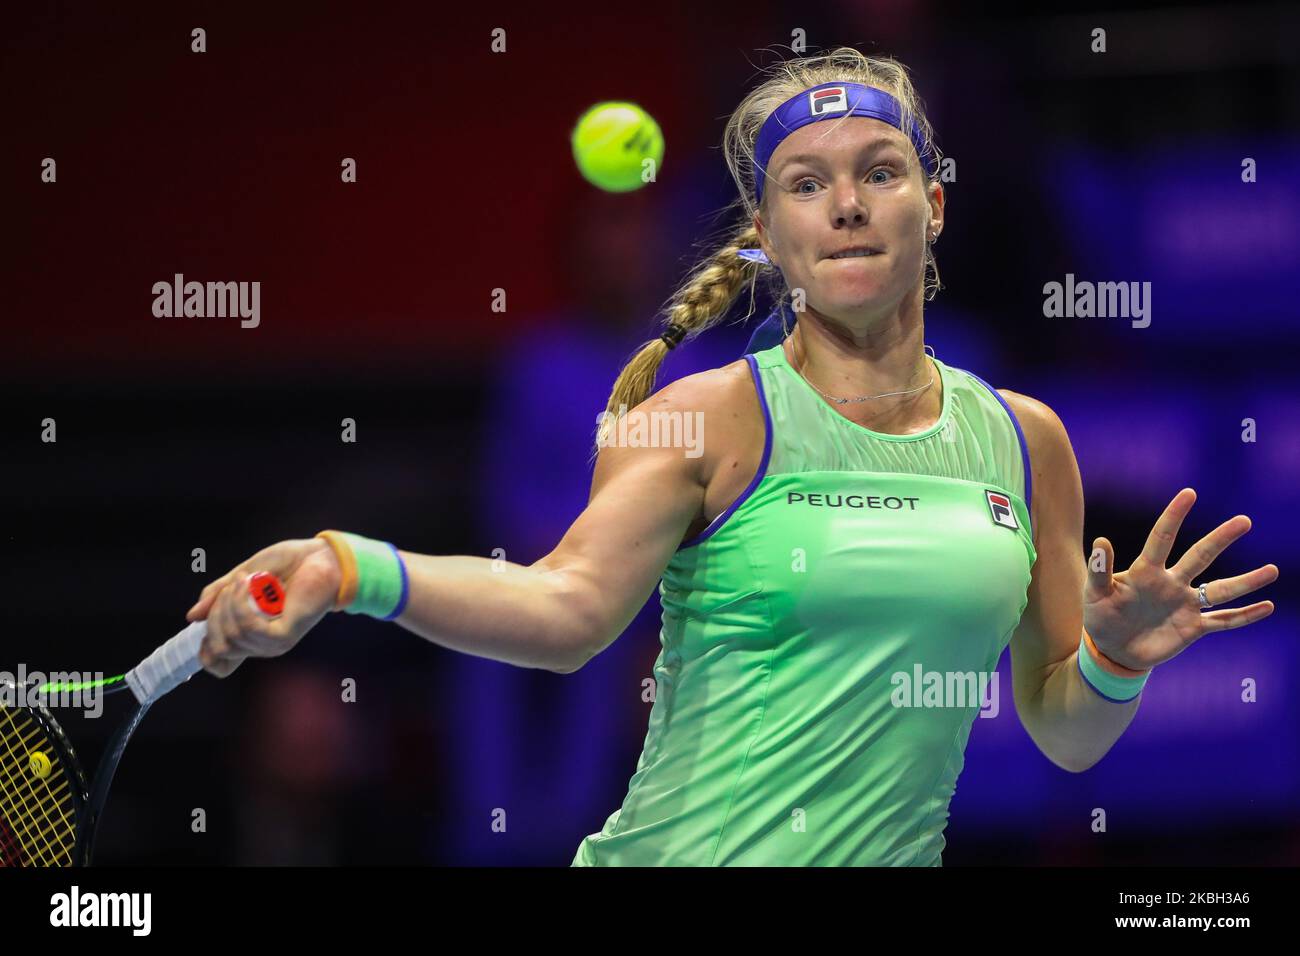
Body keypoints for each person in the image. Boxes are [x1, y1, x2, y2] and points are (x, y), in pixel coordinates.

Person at [188, 47, 1279, 866]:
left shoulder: (1024, 439)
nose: (846, 203)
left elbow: (1067, 736)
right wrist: (346, 566)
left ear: (933, 206)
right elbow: (566, 608)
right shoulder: (707, 416)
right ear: (769, 232)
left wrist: (1114, 659)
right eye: (806, 183)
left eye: (879, 171)